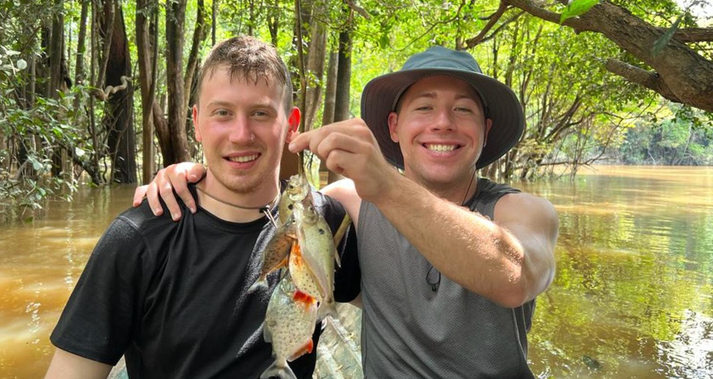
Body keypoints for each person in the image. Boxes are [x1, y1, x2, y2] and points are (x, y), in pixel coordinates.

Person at [137, 46, 559, 378]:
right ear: (394, 127)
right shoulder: (352, 204)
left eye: (463, 109)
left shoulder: (524, 211)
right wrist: (191, 177)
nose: (443, 123)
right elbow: (273, 199)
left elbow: (514, 276)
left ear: (485, 130)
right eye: (424, 107)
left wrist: (388, 187)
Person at [45, 36, 359, 379]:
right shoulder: (139, 238)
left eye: (260, 113)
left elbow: (401, 310)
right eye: (222, 113)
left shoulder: (324, 223)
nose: (241, 134)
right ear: (196, 122)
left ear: (291, 124)